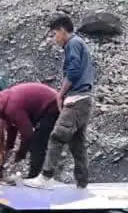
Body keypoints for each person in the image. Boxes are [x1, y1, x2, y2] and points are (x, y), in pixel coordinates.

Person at [38, 14, 96, 190]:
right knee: (77, 143)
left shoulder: (73, 44)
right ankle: (82, 182)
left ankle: (46, 176)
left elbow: (74, 70)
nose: (54, 39)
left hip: (77, 99)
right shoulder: (78, 43)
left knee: (57, 136)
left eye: (55, 34)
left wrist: (60, 93)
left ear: (63, 31)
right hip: (84, 99)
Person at [0, 82, 60, 184]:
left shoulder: (12, 107)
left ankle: (36, 178)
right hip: (43, 106)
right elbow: (12, 129)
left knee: (37, 143)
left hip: (52, 105)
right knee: (36, 141)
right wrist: (8, 148)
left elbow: (27, 134)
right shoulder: (3, 102)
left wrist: (21, 153)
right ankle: (36, 176)